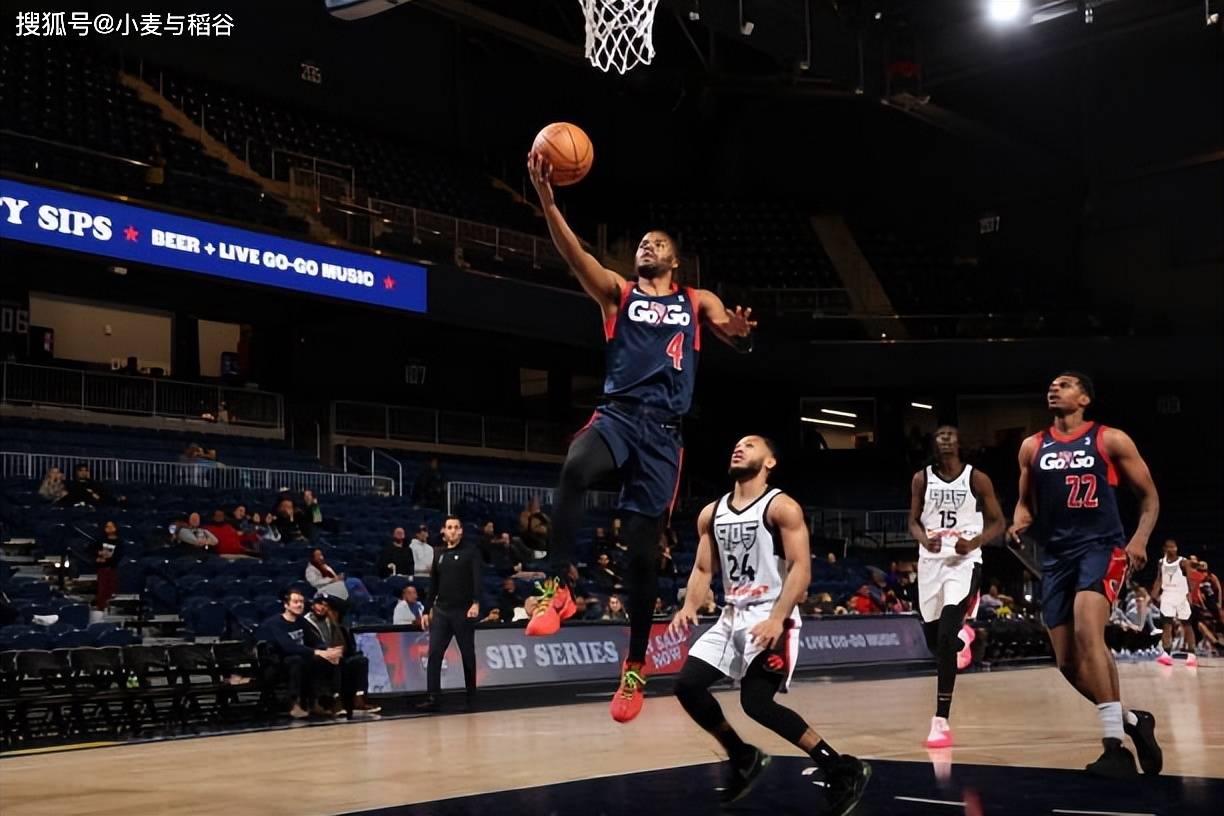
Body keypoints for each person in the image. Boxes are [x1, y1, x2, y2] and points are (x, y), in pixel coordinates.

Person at [523, 149, 758, 723]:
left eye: (656, 244)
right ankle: (557, 586)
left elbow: (731, 331)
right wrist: (548, 202)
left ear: (675, 259)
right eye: (641, 245)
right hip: (619, 415)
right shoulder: (617, 293)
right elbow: (574, 254)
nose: (646, 248)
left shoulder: (694, 300)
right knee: (575, 467)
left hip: (663, 435)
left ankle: (634, 666)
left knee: (642, 556)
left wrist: (737, 331)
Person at [670, 436, 870, 810]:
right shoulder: (711, 513)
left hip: (773, 615)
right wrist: (689, 605)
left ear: (770, 461)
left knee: (756, 703)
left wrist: (778, 618)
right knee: (687, 686)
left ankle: (842, 768)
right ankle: (742, 756)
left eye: (750, 445)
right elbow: (702, 568)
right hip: (732, 615)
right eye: (736, 444)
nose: (739, 447)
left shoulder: (782, 507)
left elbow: (801, 568)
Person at [1008, 371, 1162, 777]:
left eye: (1065, 384)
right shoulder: (1032, 446)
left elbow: (1149, 497)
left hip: (1102, 547)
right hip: (1057, 555)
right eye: (1052, 384)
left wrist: (1139, 540)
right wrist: (1019, 522)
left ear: (1084, 399)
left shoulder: (1110, 440)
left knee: (1087, 631)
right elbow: (1025, 502)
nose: (1054, 387)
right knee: (1066, 664)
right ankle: (1133, 721)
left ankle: (1114, 748)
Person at [907, 424, 1005, 749]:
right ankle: (961, 640)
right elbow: (912, 521)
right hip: (930, 563)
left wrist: (974, 542)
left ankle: (940, 721)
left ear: (960, 443)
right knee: (935, 641)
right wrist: (925, 540)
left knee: (946, 639)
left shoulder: (977, 478)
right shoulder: (921, 479)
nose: (945, 440)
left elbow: (999, 522)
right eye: (940, 436)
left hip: (963, 563)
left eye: (950, 436)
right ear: (933, 444)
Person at [418, 515, 482, 711]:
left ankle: (471, 698)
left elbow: (477, 579)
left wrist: (476, 603)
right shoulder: (438, 553)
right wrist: (427, 609)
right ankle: (433, 697)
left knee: (467, 655)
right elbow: (433, 584)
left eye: (456, 527)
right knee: (434, 653)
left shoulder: (471, 552)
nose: (453, 530)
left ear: (461, 531)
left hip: (463, 611)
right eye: (449, 527)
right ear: (444, 531)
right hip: (442, 612)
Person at [257, 589, 342, 718]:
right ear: (286, 605)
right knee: (296, 660)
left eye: (302, 602)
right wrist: (317, 652)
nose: (300, 605)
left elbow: (315, 641)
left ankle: (317, 702)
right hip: (277, 663)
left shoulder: (302, 622)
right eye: (296, 602)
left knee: (323, 660)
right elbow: (288, 647)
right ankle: (294, 704)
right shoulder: (275, 623)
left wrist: (328, 651)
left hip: (300, 660)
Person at [1151, 539, 1197, 667]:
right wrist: (1153, 595)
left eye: (1174, 547)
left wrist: (1191, 596)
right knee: (1167, 625)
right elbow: (1159, 579)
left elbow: (1190, 579)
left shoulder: (1183, 561)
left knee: (1187, 625)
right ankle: (1166, 654)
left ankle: (1192, 654)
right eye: (1170, 547)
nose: (1172, 549)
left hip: (1181, 595)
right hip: (1167, 595)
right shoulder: (1161, 562)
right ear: (1164, 549)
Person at [92, 520, 126, 612]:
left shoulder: (119, 541)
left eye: (111, 526)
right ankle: (101, 608)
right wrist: (99, 554)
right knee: (102, 589)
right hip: (103, 568)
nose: (109, 528)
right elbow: (91, 550)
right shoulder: (100, 540)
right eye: (107, 526)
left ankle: (111, 608)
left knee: (112, 588)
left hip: (113, 568)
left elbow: (120, 554)